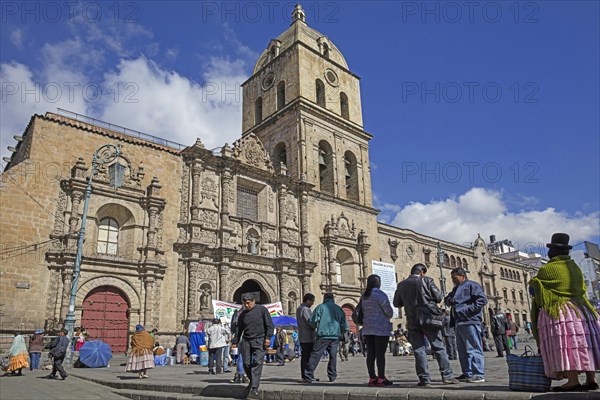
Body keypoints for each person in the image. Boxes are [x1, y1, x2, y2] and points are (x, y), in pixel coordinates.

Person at [529, 233, 600, 392]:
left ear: (553, 252)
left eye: (550, 250)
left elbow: (537, 291)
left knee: (568, 344)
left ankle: (573, 381)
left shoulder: (547, 269)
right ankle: (591, 379)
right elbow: (581, 288)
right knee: (583, 344)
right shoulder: (575, 267)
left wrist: (534, 282)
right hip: (581, 310)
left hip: (561, 312)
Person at [394, 263, 458, 386]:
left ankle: (424, 379)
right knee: (438, 347)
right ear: (422, 272)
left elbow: (397, 303)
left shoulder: (402, 285)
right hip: (429, 319)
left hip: (412, 321)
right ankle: (447, 376)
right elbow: (439, 297)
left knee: (419, 350)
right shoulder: (427, 280)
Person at [444, 267, 488, 383]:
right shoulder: (455, 289)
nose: (453, 280)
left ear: (462, 276)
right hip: (459, 322)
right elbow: (447, 299)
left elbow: (482, 300)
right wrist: (449, 300)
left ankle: (478, 374)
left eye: (455, 278)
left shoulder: (472, 285)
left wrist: (466, 309)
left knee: (473, 347)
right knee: (462, 349)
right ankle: (467, 372)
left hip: (470, 321)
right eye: (452, 278)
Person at [232, 293, 274, 397]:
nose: (246, 305)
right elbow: (239, 329)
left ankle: (254, 387)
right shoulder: (243, 314)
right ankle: (252, 381)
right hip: (246, 340)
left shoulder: (262, 310)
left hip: (260, 339)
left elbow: (269, 324)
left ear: (253, 301)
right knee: (246, 363)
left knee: (257, 362)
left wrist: (268, 337)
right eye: (244, 303)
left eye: (248, 303)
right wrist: (235, 341)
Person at [303, 292, 349, 384]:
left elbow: (313, 321)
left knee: (315, 355)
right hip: (335, 336)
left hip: (323, 336)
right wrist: (342, 332)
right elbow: (345, 325)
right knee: (333, 356)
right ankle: (332, 375)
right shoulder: (339, 309)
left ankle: (308, 375)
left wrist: (312, 325)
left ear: (324, 298)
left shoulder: (320, 307)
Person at [360, 274, 394, 386]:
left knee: (371, 354)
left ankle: (372, 378)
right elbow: (389, 312)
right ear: (378, 283)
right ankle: (381, 378)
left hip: (367, 328)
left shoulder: (364, 296)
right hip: (381, 329)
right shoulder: (380, 295)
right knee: (380, 355)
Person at [296, 293, 316, 382]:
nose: (312, 303)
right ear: (308, 300)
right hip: (308, 336)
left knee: (305, 356)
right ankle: (307, 375)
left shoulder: (299, 308)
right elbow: (310, 322)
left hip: (302, 336)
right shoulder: (305, 309)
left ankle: (305, 375)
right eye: (312, 301)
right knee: (308, 357)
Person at [229, 307, 247, 384]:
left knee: (241, 356)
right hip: (250, 337)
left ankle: (240, 375)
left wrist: (235, 339)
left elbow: (233, 327)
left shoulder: (237, 314)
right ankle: (246, 375)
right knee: (248, 357)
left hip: (240, 337)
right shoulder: (251, 313)